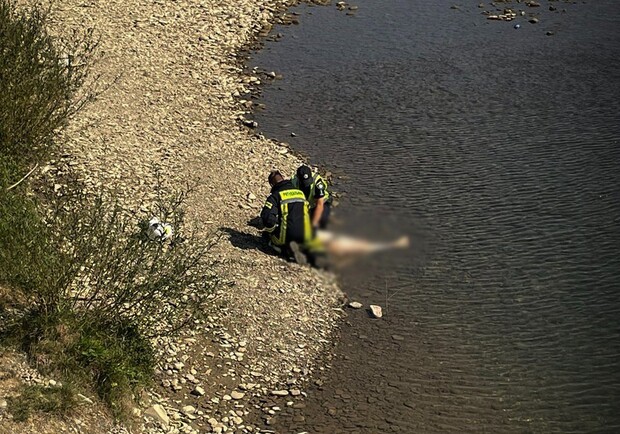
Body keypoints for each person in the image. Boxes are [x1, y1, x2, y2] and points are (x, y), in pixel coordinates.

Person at [260, 170, 313, 264]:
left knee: (266, 235)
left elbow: (267, 217)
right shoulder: (300, 192)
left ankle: (283, 250)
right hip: (306, 234)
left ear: (272, 184)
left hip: (288, 235)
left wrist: (270, 230)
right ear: (283, 178)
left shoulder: (275, 196)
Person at [291, 165, 332, 230]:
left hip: (321, 203)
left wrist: (314, 224)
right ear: (298, 178)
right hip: (307, 204)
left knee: (321, 220)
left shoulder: (317, 182)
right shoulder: (293, 181)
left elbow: (320, 204)